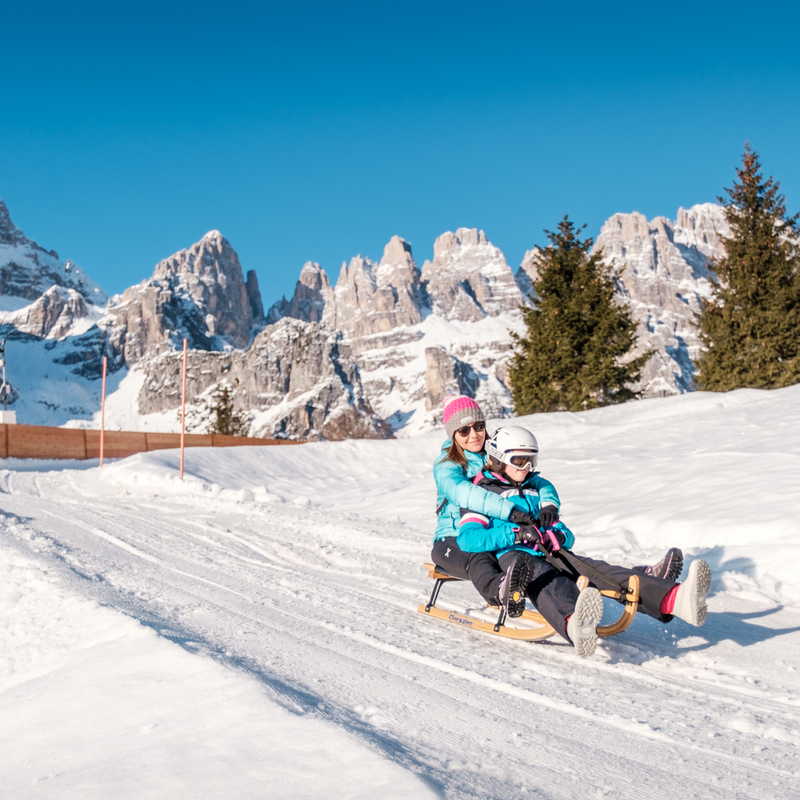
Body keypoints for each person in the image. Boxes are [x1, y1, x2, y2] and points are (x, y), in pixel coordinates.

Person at [449, 424, 712, 657]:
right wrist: (516, 534)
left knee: (597, 570)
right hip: (514, 556)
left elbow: (565, 532)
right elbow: (470, 539)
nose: (528, 467)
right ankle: (575, 622)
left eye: (532, 460)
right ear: (498, 459)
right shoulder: (482, 494)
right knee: (545, 579)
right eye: (520, 460)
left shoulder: (534, 488)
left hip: (549, 549)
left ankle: (674, 598)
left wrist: (560, 534)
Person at [431, 395, 683, 618]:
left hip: (507, 531)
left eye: (478, 426)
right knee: (478, 556)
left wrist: (547, 505)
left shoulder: (496, 452)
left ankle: (640, 579)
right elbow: (466, 494)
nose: (473, 434)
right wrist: (510, 512)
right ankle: (502, 590)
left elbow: (536, 481)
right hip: (453, 538)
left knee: (566, 559)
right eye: (464, 430)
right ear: (453, 434)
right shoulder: (447, 465)